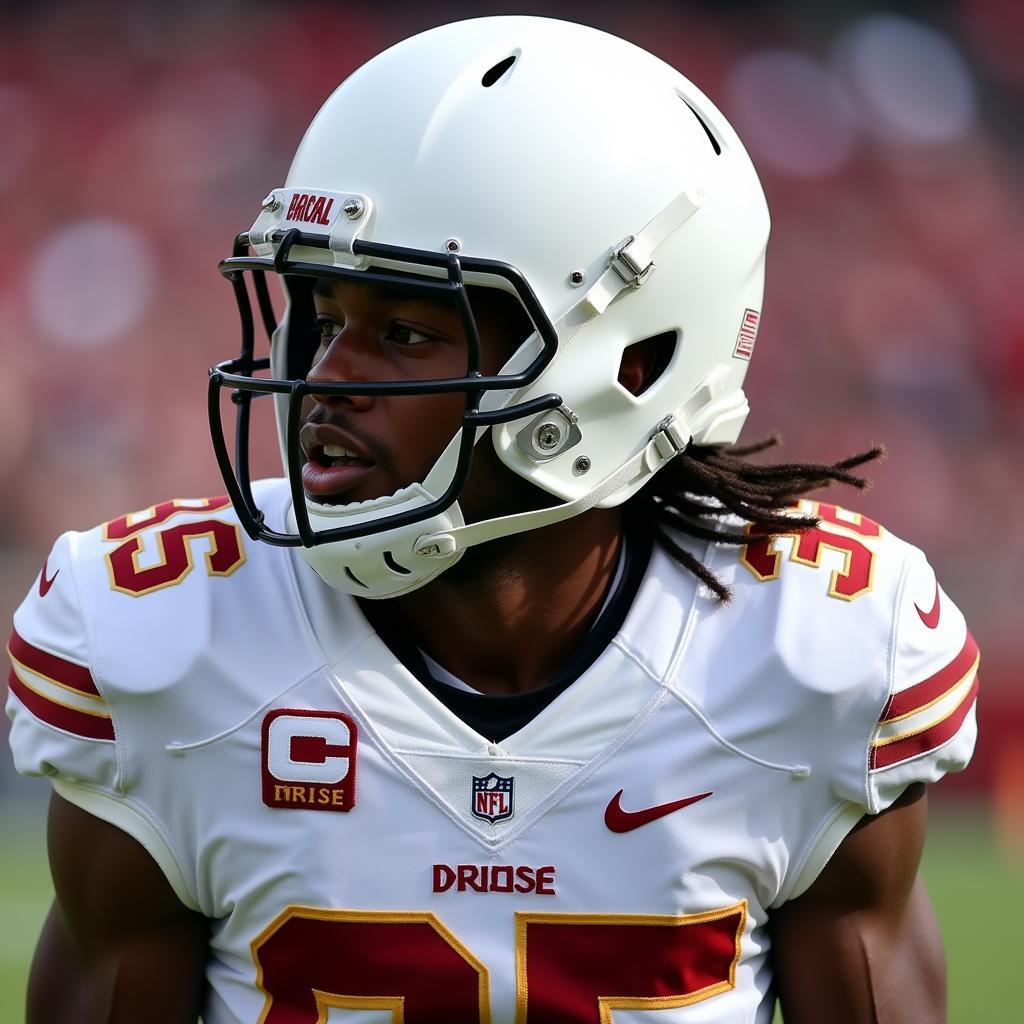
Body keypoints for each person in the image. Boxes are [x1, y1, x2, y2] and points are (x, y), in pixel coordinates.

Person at [6, 15, 977, 1024]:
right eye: (324, 316)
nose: (326, 381)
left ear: (631, 367)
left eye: (408, 330)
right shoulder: (165, 638)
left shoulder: (816, 653)